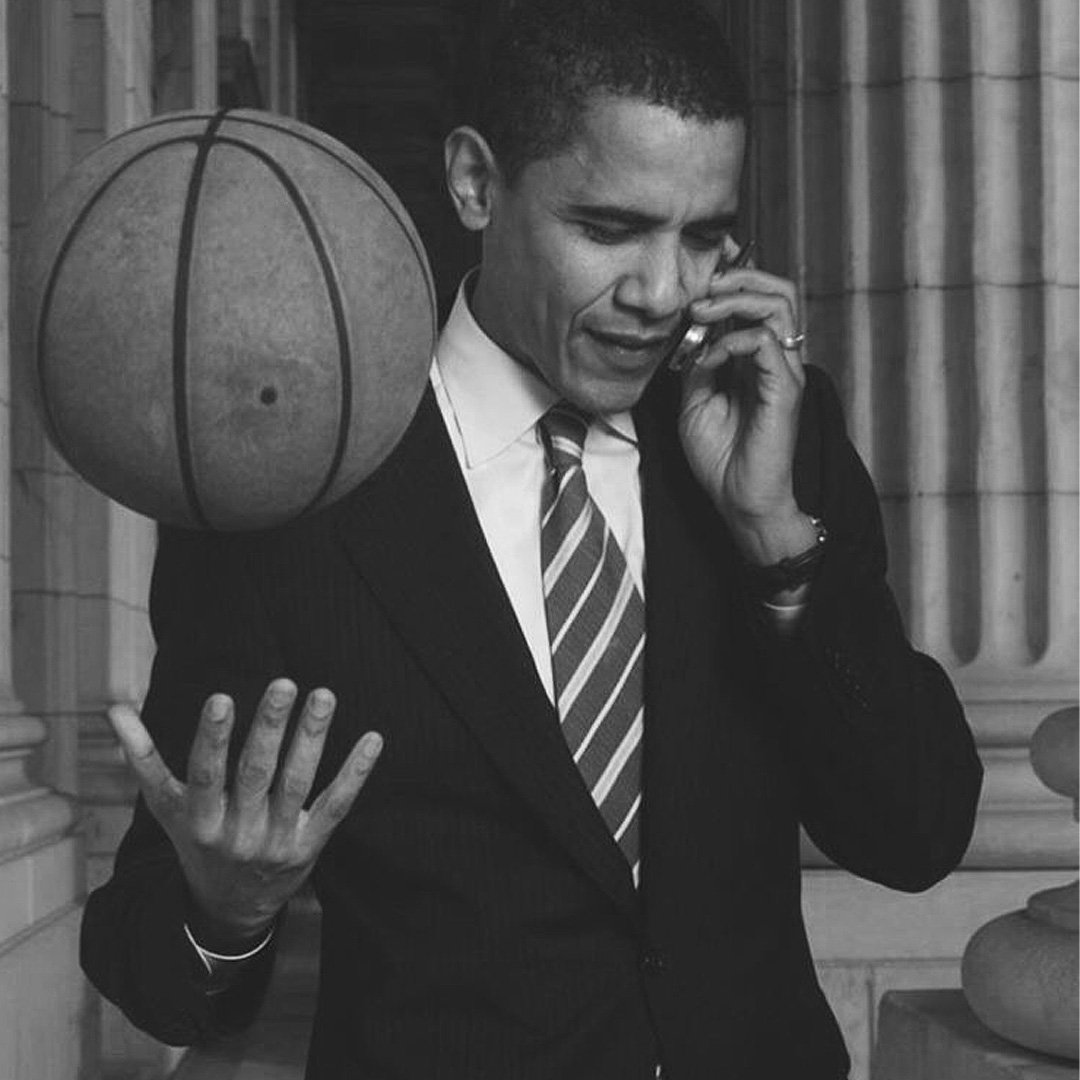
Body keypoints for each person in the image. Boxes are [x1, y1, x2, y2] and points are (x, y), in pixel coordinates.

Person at [81, 1, 983, 1077]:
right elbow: (147, 962)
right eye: (608, 228)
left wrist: (776, 542)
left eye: (703, 237)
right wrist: (226, 909)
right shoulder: (294, 487)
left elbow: (917, 833)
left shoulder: (778, 434)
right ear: (476, 182)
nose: (663, 293)